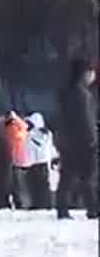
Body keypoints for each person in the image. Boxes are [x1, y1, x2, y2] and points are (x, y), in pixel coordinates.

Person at [54, 57, 98, 219]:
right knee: (89, 176)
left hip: (67, 141)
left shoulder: (64, 92)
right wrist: (93, 140)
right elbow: (86, 120)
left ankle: (62, 208)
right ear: (84, 73)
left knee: (67, 176)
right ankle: (93, 208)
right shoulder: (82, 94)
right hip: (84, 142)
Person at [22, 113, 57, 211]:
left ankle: (43, 204)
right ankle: (39, 203)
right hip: (37, 163)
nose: (27, 124)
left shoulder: (34, 134)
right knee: (36, 185)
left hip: (39, 163)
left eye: (30, 123)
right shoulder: (47, 133)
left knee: (41, 185)